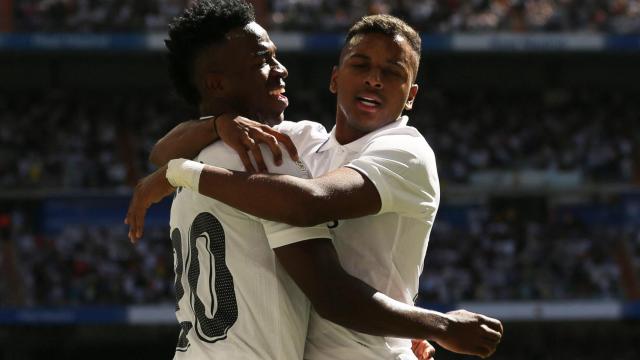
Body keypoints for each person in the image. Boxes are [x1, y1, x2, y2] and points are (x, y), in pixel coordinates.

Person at [127, 2, 503, 359]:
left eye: (393, 72)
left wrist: (180, 173)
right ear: (335, 78)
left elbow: (309, 204)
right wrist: (217, 124)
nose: (374, 79)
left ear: (411, 97)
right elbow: (161, 153)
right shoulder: (289, 144)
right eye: (361, 64)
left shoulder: (405, 151)